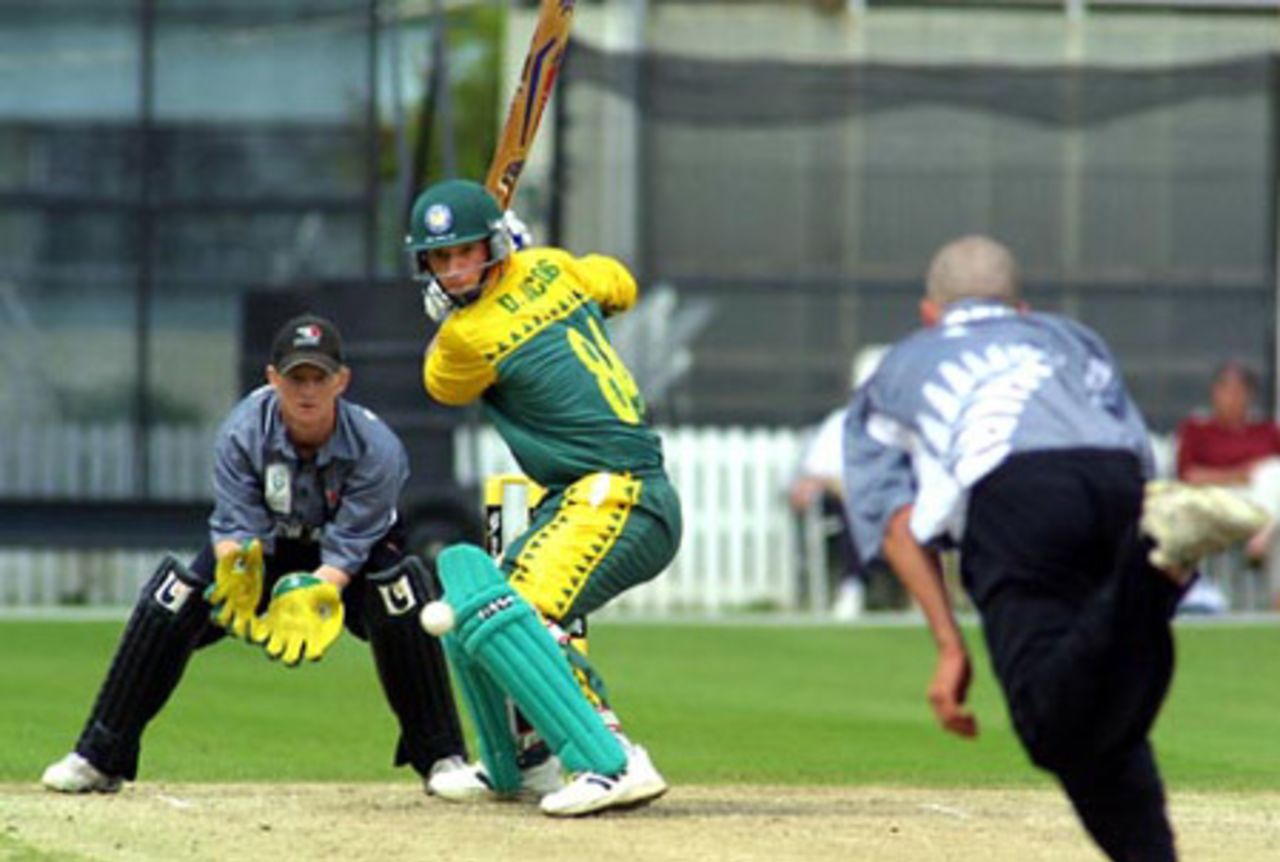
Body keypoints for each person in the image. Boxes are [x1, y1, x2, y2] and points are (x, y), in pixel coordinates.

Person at [843, 235, 1266, 861]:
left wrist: (948, 644)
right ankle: (1152, 566)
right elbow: (1129, 447)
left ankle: (1152, 564)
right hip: (1116, 480)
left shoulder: (898, 368)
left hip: (1016, 492)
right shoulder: (1070, 339)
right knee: (1108, 721)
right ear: (1021, 310)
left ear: (930, 313)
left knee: (1050, 724)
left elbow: (894, 519)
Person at [41, 313, 467, 794]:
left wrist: (314, 591)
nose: (306, 390)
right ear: (272, 379)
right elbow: (234, 523)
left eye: (319, 378)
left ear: (341, 381)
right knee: (172, 598)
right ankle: (99, 757)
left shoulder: (377, 448)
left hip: (353, 555)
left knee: (402, 597)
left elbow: (352, 543)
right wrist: (236, 568)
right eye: (295, 377)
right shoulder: (242, 432)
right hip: (265, 547)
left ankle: (442, 758)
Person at [404, 179, 682, 816]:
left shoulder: (465, 337)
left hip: (617, 492)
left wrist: (449, 315)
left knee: (519, 617)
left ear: (492, 244)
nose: (452, 270)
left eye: (465, 252)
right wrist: (536, 262)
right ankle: (522, 762)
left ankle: (612, 760)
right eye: (440, 259)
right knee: (476, 613)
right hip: (593, 494)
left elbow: (441, 385)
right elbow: (620, 284)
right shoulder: (554, 268)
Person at [788, 346, 888, 620]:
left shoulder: (908, 425)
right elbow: (815, 473)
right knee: (855, 506)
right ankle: (853, 585)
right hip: (849, 501)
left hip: (896, 503)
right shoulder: (840, 423)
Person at [1176, 360, 1280, 582]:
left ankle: (1262, 537)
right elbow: (1189, 476)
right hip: (1217, 500)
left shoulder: (1267, 431)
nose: (1233, 398)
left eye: (1240, 391)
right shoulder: (1197, 429)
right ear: (1215, 394)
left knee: (1273, 472)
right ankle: (1262, 536)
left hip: (1261, 500)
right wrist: (1238, 474)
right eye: (1227, 390)